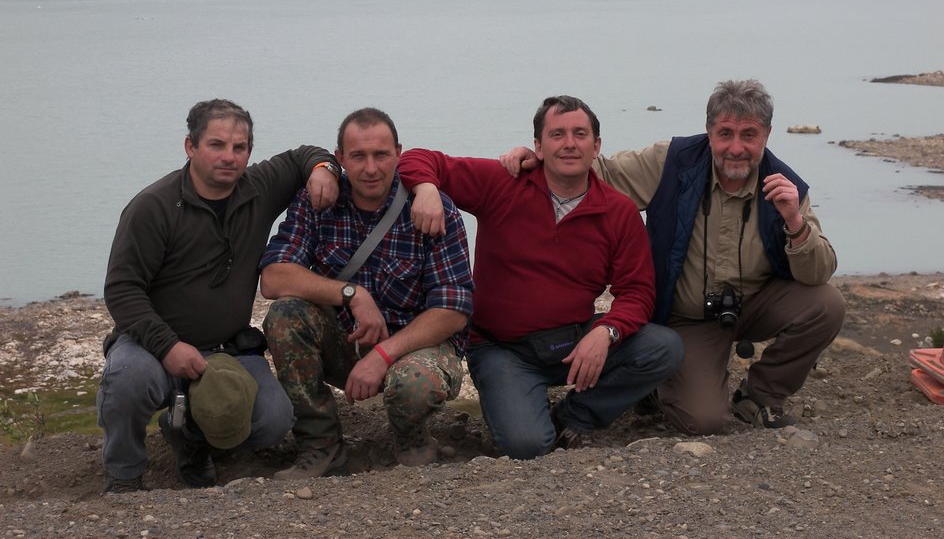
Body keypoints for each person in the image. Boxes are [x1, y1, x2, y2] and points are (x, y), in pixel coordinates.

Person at [501, 80, 844, 435]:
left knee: (827, 304)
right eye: (725, 133)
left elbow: (819, 272)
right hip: (685, 319)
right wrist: (537, 159)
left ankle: (758, 398)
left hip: (756, 305)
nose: (736, 147)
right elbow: (599, 174)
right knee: (703, 420)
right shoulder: (672, 162)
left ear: (767, 135)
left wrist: (794, 221)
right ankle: (655, 377)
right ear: (709, 131)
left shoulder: (784, 186)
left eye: (749, 135)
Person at [400, 95, 684, 460]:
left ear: (596, 146)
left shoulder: (619, 211)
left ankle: (575, 415)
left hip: (574, 339)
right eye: (557, 134)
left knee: (664, 348)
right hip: (502, 348)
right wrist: (425, 188)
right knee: (527, 445)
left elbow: (638, 292)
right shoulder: (501, 183)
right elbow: (418, 159)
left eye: (580, 134)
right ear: (538, 145)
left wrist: (606, 330)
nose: (569, 143)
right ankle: (523, 411)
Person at [98, 99, 341, 494]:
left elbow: (304, 156)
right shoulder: (153, 207)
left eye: (240, 147)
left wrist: (324, 170)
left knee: (274, 420)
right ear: (190, 147)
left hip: (226, 350)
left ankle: (191, 438)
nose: (229, 157)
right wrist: (168, 346)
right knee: (127, 379)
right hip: (154, 346)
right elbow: (122, 290)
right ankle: (124, 476)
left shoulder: (259, 187)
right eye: (216, 145)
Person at [259, 108, 474, 479]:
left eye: (381, 155)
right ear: (339, 158)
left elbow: (454, 308)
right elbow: (274, 278)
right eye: (358, 156)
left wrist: (382, 355)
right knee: (284, 315)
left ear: (398, 153)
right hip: (344, 344)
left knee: (415, 384)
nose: (371, 168)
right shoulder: (317, 201)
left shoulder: (432, 207)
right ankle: (320, 445)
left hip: (413, 349)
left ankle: (411, 439)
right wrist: (352, 293)